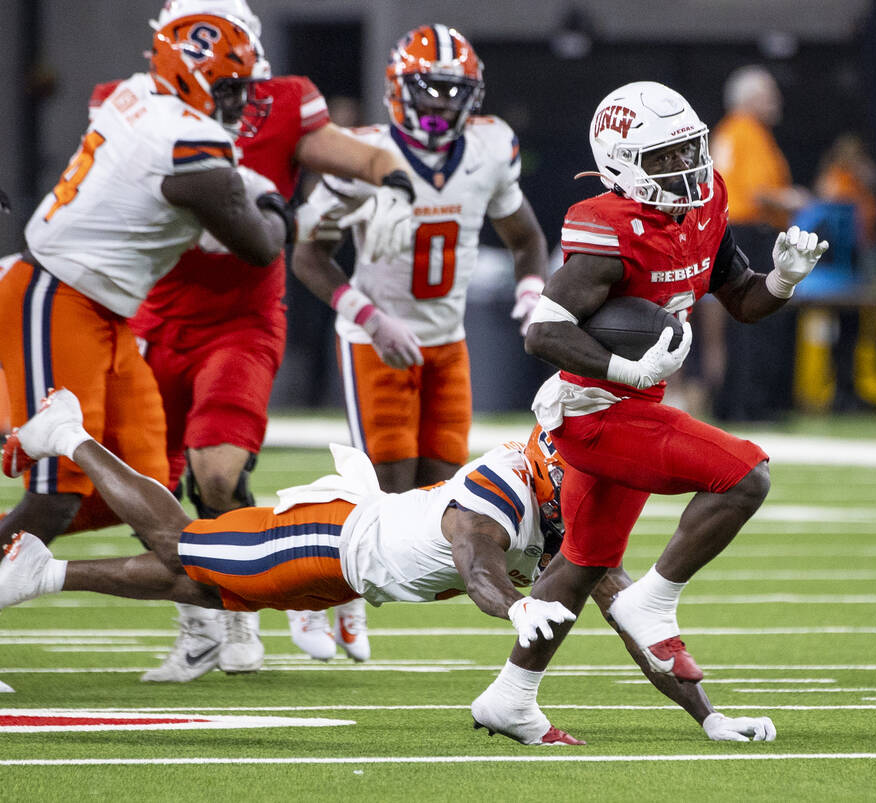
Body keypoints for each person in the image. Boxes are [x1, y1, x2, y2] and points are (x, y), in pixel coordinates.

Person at [1, 387, 774, 745]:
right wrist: (512, 607)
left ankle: (44, 572)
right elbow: (478, 568)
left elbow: (636, 616)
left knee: (204, 580)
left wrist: (709, 716)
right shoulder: (500, 484)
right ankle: (68, 430)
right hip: (325, 538)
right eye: (581, 481)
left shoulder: (566, 505)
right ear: (550, 465)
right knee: (182, 547)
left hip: (350, 571)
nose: (591, 496)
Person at [469, 81, 826, 744]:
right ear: (620, 163)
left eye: (688, 147)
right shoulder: (606, 226)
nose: (686, 165)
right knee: (746, 476)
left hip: (635, 402)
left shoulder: (708, 200)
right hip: (595, 409)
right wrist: (627, 369)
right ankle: (655, 600)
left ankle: (512, 696)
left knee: (580, 564)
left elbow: (741, 299)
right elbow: (542, 332)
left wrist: (781, 280)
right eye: (664, 156)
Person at [81, 0, 419, 680]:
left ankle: (253, 604)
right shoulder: (130, 103)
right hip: (150, 314)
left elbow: (368, 158)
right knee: (147, 479)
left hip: (240, 320)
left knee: (217, 473)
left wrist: (396, 191)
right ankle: (202, 624)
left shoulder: (281, 103)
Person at [290, 25, 547, 650]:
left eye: (450, 92)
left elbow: (526, 239)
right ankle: (314, 594)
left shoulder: (489, 149)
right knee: (381, 485)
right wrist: (369, 315)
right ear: (398, 90)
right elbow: (307, 253)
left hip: (446, 337)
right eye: (426, 91)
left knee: (444, 490)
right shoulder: (361, 154)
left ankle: (349, 589)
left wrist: (532, 291)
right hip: (374, 338)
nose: (438, 105)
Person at [0, 12, 288, 552]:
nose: (241, 102)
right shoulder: (188, 141)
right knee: (60, 491)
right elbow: (260, 247)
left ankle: (213, 620)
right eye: (231, 88)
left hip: (104, 307)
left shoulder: (135, 94)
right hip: (57, 295)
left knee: (142, 486)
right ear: (191, 80)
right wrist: (274, 203)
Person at [702, 65, 810, 420]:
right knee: (759, 316)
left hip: (731, 231)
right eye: (769, 94)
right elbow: (757, 192)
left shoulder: (730, 132)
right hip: (750, 231)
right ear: (750, 100)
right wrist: (792, 198)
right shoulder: (746, 132)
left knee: (738, 321)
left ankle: (735, 401)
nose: (776, 102)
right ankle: (754, 403)